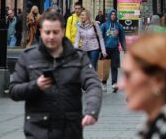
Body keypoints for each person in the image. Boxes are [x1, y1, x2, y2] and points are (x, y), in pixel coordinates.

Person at [9, 11, 102, 139]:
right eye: (47, 32)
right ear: (41, 32)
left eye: (55, 32)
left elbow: (93, 84)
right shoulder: (28, 57)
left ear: (63, 31)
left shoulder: (78, 57)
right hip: (38, 130)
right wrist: (35, 86)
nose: (51, 36)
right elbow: (14, 90)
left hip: (69, 130)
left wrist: (92, 111)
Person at [101, 9, 126, 93]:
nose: (113, 16)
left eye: (114, 14)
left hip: (115, 49)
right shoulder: (104, 26)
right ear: (109, 15)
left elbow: (122, 39)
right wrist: (101, 49)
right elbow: (100, 38)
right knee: (105, 67)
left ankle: (114, 84)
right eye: (112, 14)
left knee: (114, 67)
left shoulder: (119, 26)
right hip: (105, 49)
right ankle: (104, 83)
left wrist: (125, 49)